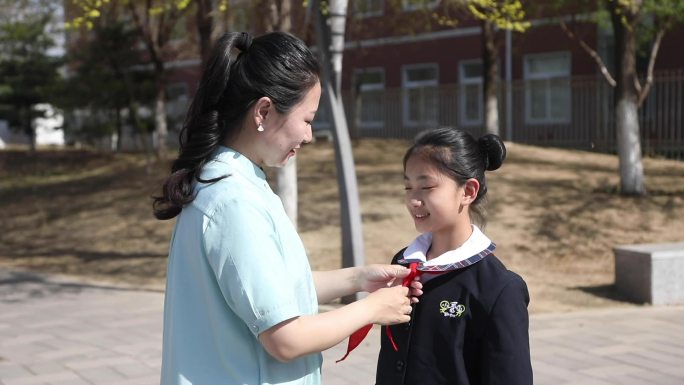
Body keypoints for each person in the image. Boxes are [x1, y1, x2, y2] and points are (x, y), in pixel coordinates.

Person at [153, 31, 416, 385]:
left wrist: (358, 279)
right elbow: (285, 338)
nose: (308, 136)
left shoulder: (233, 185)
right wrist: (372, 309)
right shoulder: (234, 202)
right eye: (307, 119)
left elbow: (275, 293)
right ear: (263, 111)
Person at [376, 127, 533, 385]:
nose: (413, 200)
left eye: (426, 186)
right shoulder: (402, 264)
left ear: (468, 191)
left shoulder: (499, 289)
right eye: (408, 187)